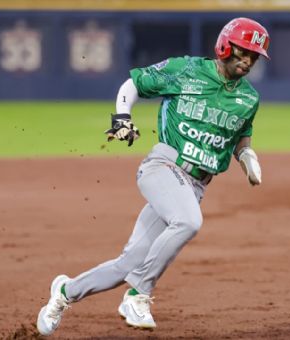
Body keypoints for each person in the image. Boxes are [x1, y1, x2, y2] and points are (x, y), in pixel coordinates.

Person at [36, 17, 269, 336]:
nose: (248, 60)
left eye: (254, 56)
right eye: (244, 51)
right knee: (188, 222)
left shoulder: (249, 99)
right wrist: (122, 118)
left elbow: (241, 134)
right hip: (164, 166)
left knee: (126, 265)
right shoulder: (187, 70)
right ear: (225, 45)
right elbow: (134, 84)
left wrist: (246, 155)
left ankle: (63, 294)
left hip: (196, 184)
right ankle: (138, 295)